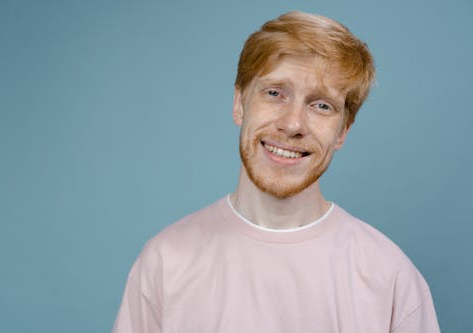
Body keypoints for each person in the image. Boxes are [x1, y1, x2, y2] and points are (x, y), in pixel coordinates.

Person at [112, 11, 440, 333]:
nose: (293, 124)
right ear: (239, 103)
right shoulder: (165, 263)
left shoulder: (390, 277)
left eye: (322, 105)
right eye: (274, 93)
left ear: (343, 131)